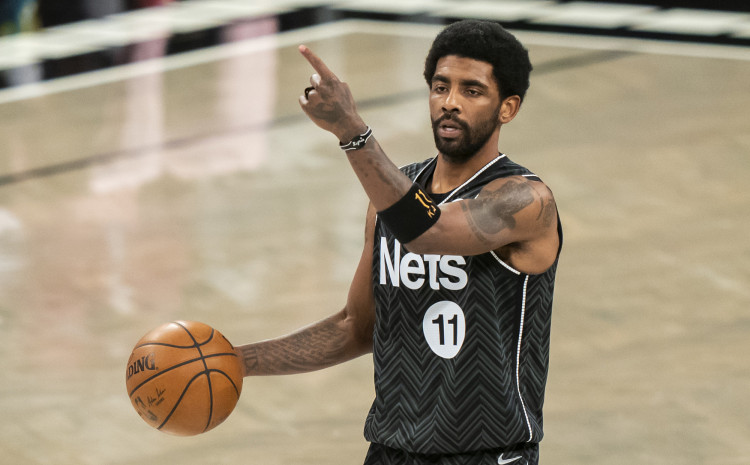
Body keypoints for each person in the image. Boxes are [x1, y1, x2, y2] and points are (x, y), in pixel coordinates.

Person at [234, 19, 562, 465]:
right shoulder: (391, 194)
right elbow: (356, 326)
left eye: (472, 91)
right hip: (392, 451)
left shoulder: (524, 199)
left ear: (508, 108)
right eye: (441, 87)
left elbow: (430, 231)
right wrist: (238, 361)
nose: (449, 102)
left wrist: (351, 130)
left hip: (487, 454)